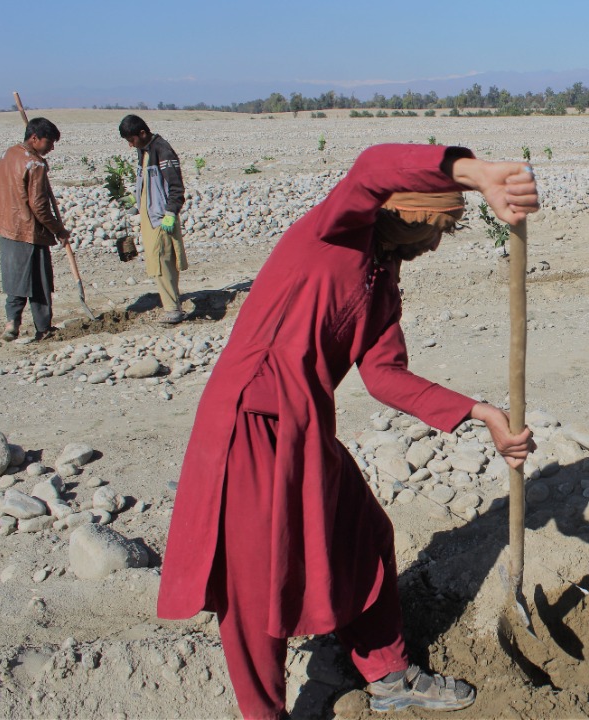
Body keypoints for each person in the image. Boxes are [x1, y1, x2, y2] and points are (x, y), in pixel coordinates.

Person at [157, 143, 539, 719]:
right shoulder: (332, 233)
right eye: (436, 227)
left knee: (363, 531)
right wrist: (477, 173)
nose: (436, 243)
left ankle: (388, 675)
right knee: (255, 583)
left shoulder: (384, 279)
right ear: (404, 213)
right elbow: (370, 167)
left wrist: (479, 412)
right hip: (250, 425)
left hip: (307, 429)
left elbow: (385, 376)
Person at [0, 117, 71, 342]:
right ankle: (43, 327)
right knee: (39, 282)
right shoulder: (36, 165)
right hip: (30, 232)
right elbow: (39, 206)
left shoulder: (8, 155)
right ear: (34, 138)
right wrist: (58, 229)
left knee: (16, 279)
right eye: (49, 142)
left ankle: (12, 323)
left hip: (7, 227)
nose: (51, 148)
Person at [118, 114, 187, 324]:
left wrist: (170, 213)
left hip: (161, 217)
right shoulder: (144, 150)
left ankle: (173, 309)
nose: (130, 145)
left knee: (163, 262)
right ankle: (171, 304)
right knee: (157, 261)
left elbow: (176, 187)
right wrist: (134, 199)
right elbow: (147, 182)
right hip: (148, 217)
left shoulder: (163, 151)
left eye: (132, 140)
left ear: (142, 133)